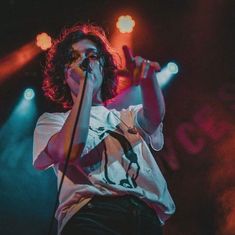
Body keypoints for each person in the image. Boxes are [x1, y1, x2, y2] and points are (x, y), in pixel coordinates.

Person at [33, 23, 175, 235]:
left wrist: (147, 80)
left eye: (91, 56)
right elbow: (69, 150)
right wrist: (86, 87)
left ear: (104, 66)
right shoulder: (52, 121)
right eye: (74, 57)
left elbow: (154, 117)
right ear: (64, 74)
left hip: (145, 218)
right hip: (92, 216)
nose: (83, 61)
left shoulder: (125, 116)